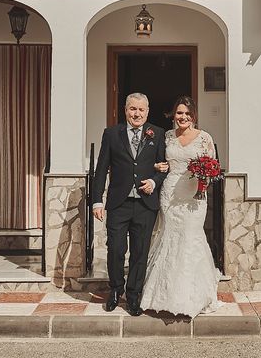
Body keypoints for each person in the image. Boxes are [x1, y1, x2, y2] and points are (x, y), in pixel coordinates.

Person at [141, 96, 221, 317]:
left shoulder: (204, 138)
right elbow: (157, 163)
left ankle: (191, 296)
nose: (182, 117)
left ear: (193, 115)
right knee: (169, 237)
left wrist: (204, 179)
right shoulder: (166, 137)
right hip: (169, 194)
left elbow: (213, 167)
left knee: (190, 238)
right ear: (173, 115)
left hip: (194, 195)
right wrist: (158, 165)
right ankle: (163, 293)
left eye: (187, 113)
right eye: (179, 113)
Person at [92, 92, 167, 316]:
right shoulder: (112, 134)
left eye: (141, 110)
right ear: (125, 110)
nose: (136, 113)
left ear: (147, 112)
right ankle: (115, 290)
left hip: (145, 205)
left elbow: (164, 167)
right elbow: (101, 168)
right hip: (118, 203)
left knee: (140, 252)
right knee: (115, 249)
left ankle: (134, 295)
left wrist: (154, 181)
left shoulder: (158, 134)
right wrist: (97, 200)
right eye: (132, 109)